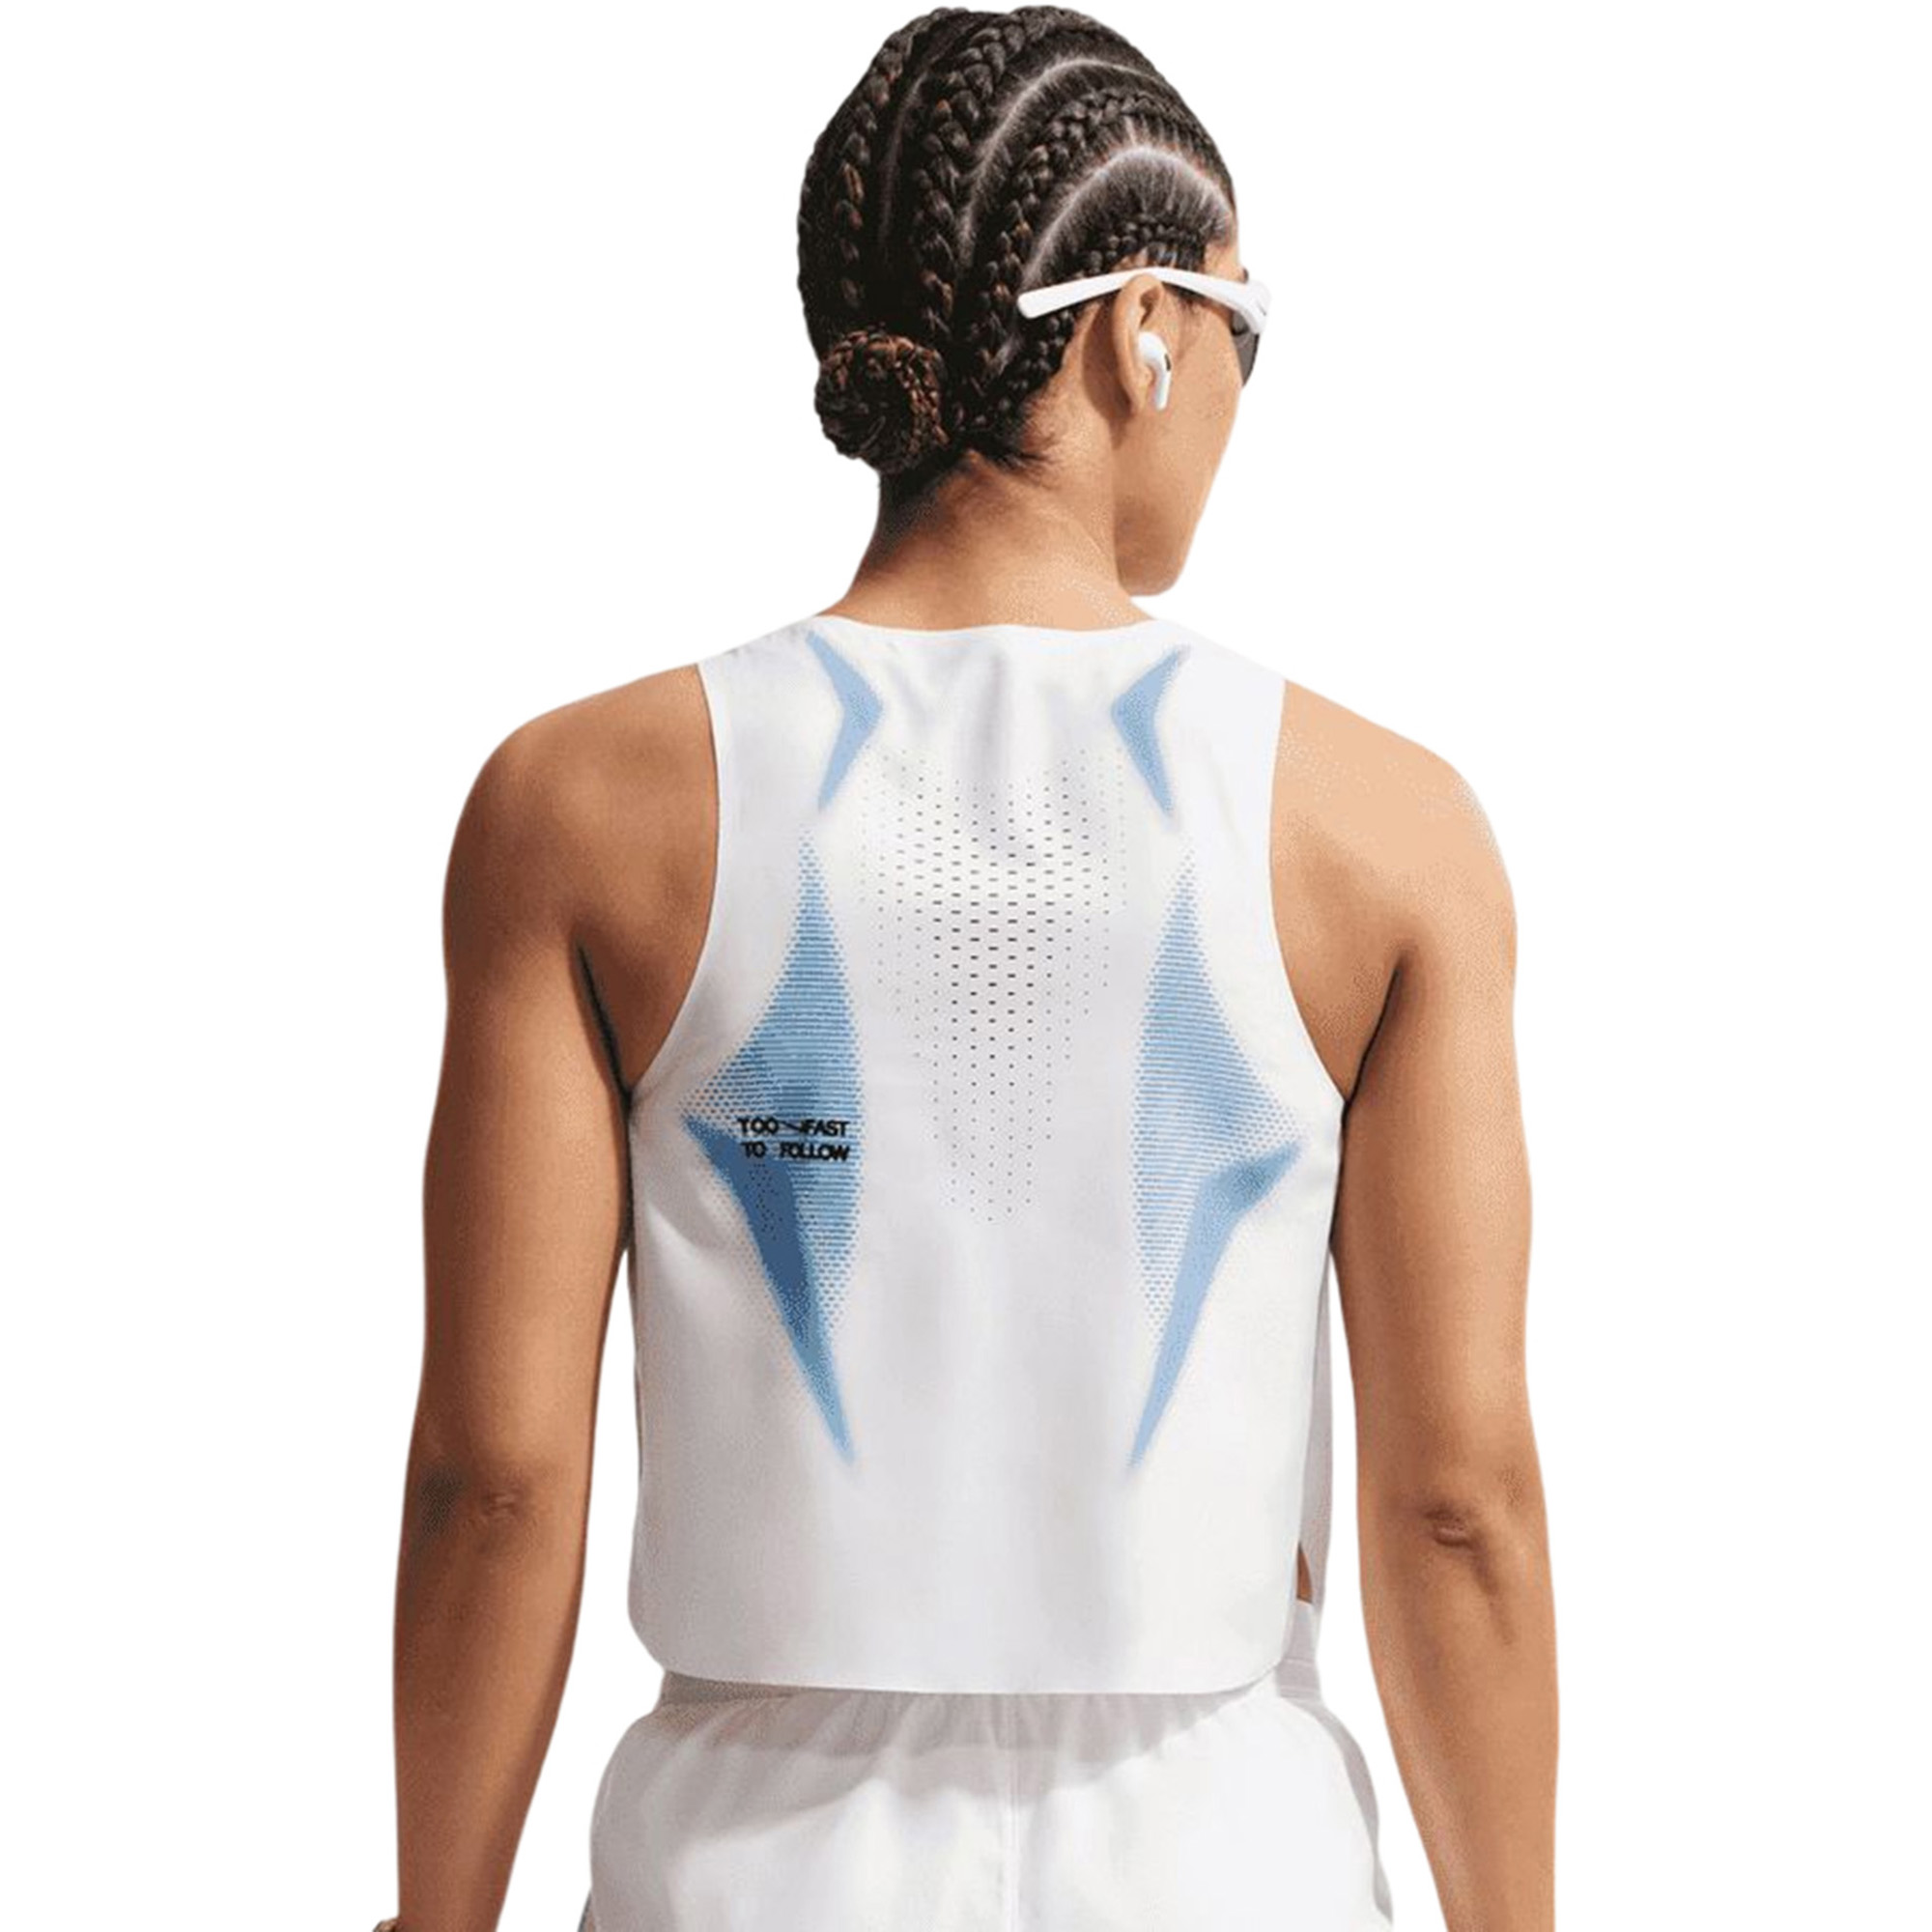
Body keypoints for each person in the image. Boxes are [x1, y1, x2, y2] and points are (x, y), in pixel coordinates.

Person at [378, 9, 1556, 1930]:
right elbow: (1458, 1508)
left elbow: (493, 1481)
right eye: (1243, 326)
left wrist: (434, 1917)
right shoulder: (1382, 827)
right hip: (1221, 1859)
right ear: (1140, 329)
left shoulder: (580, 804)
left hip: (745, 1865)